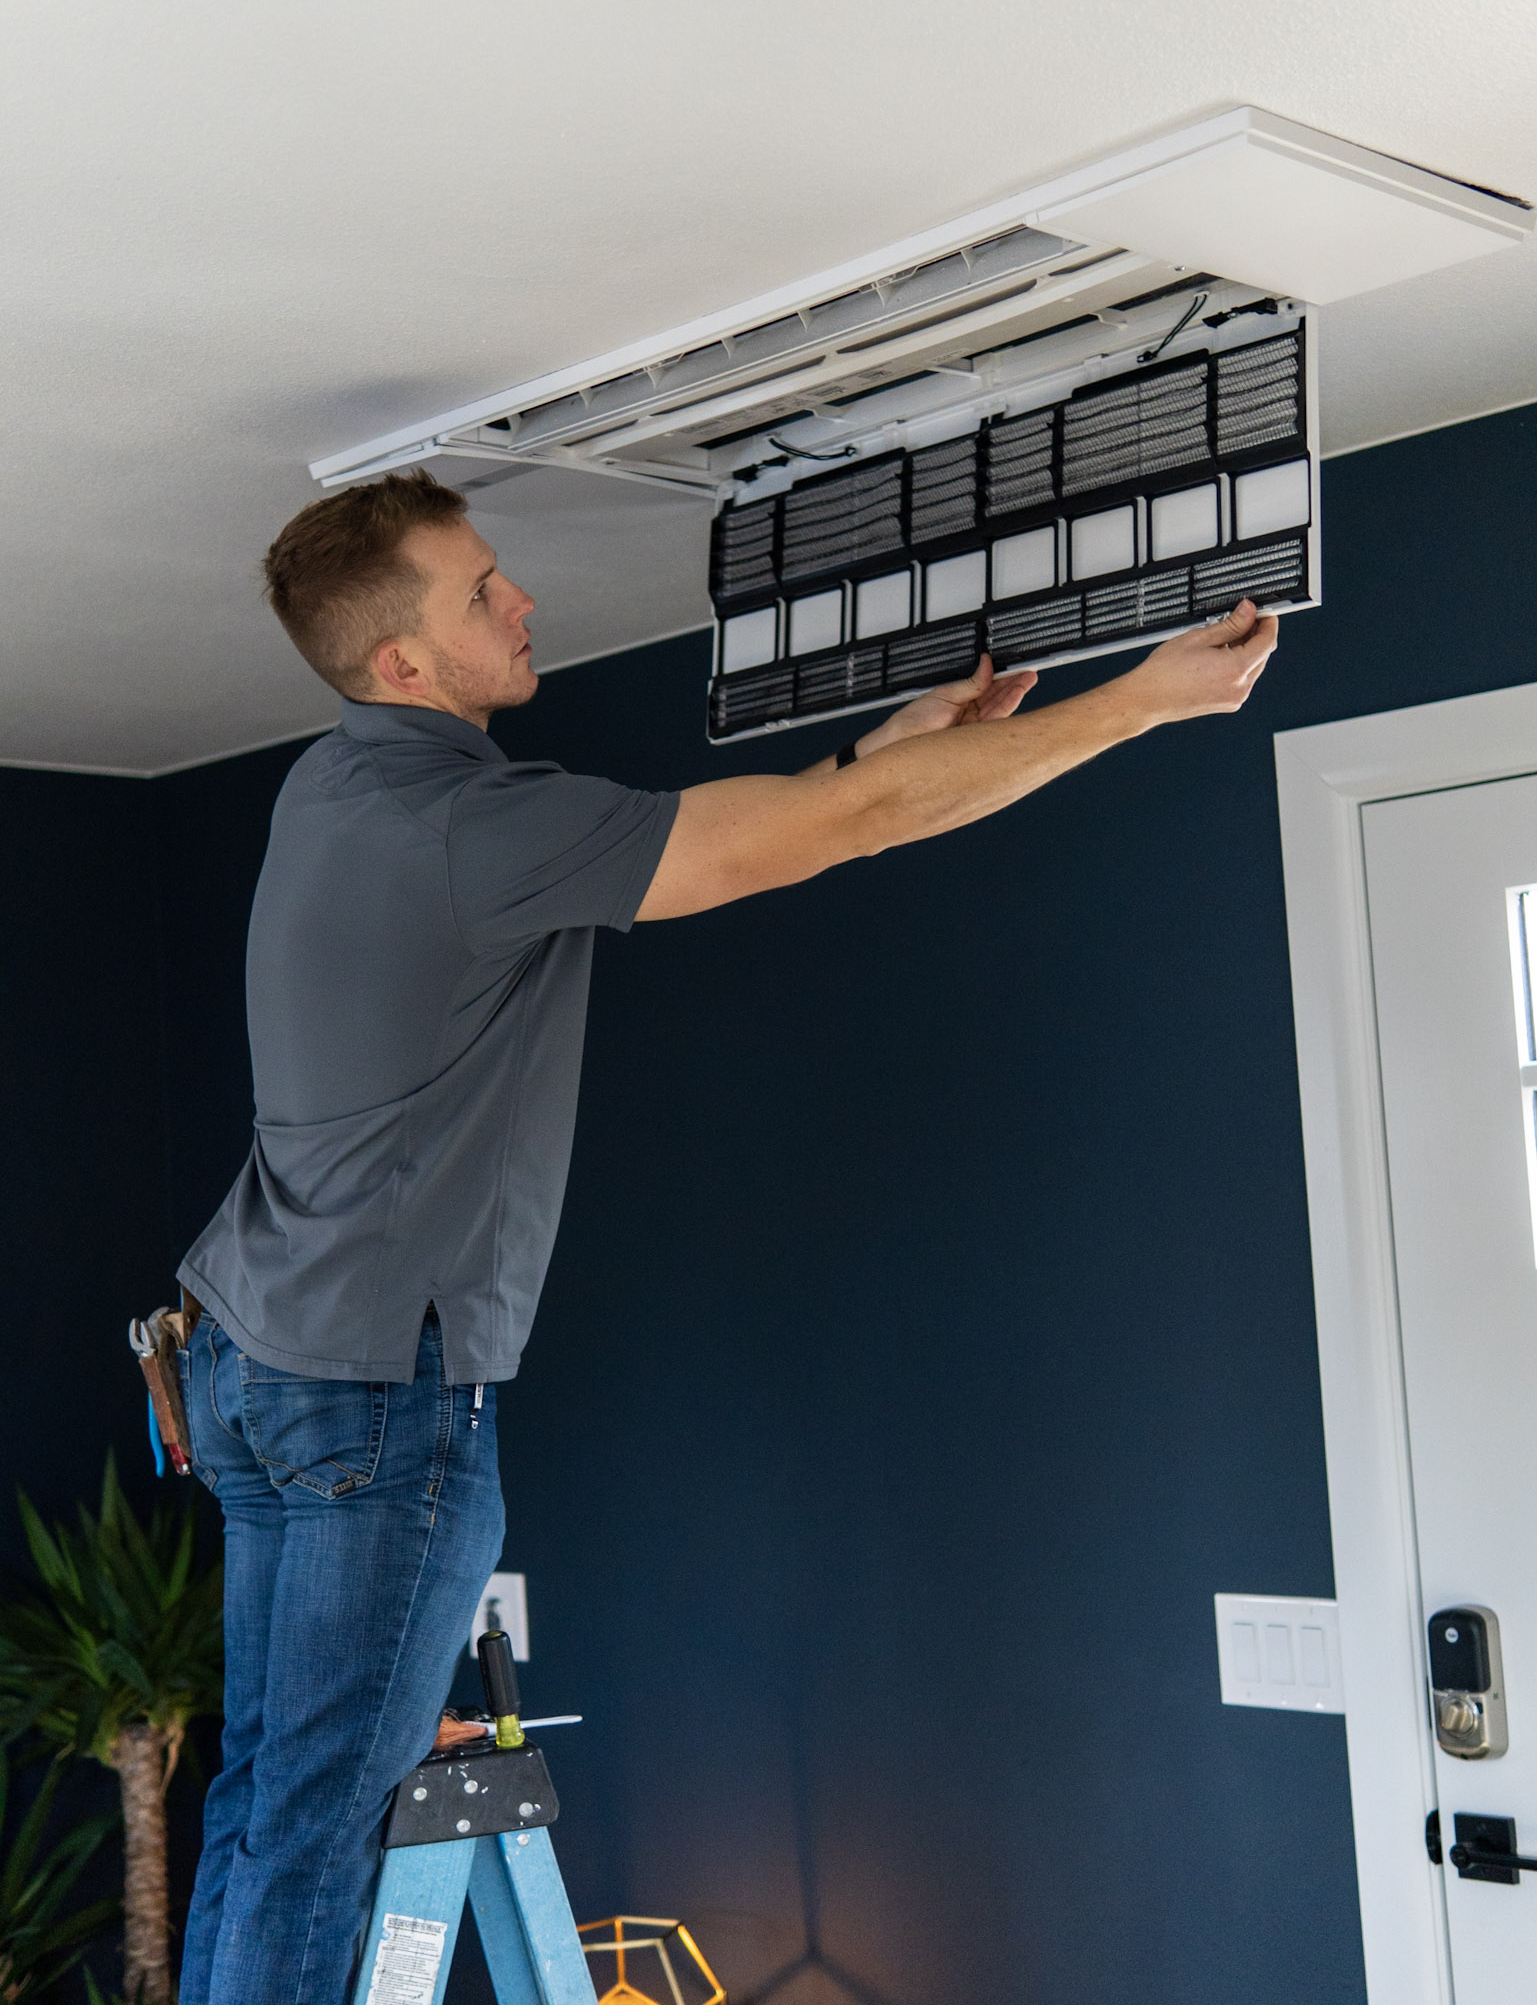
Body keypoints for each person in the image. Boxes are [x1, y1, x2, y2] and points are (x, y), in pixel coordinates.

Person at [173, 470, 1276, 2004]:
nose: (523, 600)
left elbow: (795, 819)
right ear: (405, 664)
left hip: (254, 1361)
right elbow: (814, 839)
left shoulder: (340, 788)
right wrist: (1132, 706)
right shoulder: (461, 825)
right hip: (368, 1388)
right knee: (311, 1830)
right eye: (482, 587)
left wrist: (869, 762)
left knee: (267, 1811)